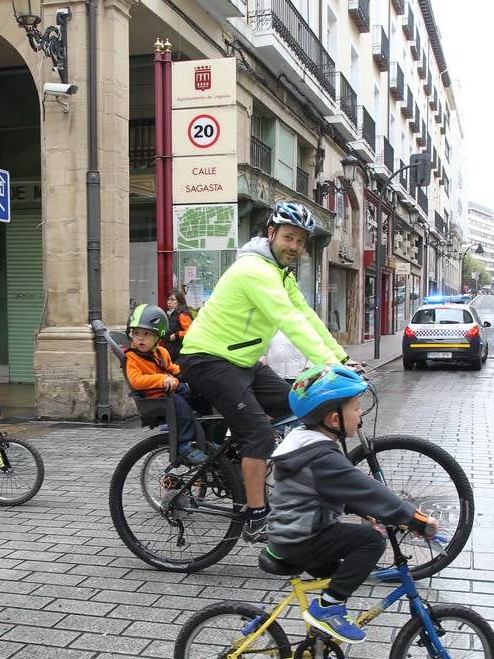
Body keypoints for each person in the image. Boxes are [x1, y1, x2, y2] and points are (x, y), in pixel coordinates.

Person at [178, 201, 357, 540]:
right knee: (258, 434)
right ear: (271, 233)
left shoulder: (279, 274)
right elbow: (287, 321)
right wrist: (327, 365)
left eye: (300, 241)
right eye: (289, 237)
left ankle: (243, 461)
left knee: (299, 403)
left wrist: (340, 358)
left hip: (242, 362)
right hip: (207, 359)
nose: (295, 246)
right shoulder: (254, 270)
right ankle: (256, 515)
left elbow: (305, 315)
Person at [263, 365, 438, 643]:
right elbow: (367, 489)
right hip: (300, 539)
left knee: (340, 574)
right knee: (370, 541)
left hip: (292, 534)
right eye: (356, 408)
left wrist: (364, 510)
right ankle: (329, 610)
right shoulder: (322, 457)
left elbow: (326, 493)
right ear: (334, 419)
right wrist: (413, 518)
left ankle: (319, 640)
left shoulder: (308, 444)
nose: (360, 413)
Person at [123, 304, 205, 464]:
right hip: (156, 396)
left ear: (158, 337)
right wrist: (162, 379)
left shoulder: (161, 353)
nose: (140, 338)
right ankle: (184, 446)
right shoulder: (132, 358)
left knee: (197, 395)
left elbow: (172, 369)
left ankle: (204, 435)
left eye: (146, 334)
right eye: (136, 333)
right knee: (180, 405)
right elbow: (136, 381)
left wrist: (191, 373)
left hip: (169, 389)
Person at [163, 289, 194, 360]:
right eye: (168, 300)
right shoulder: (168, 314)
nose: (169, 302)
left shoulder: (182, 315)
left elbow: (191, 332)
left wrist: (177, 335)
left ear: (179, 302)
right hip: (170, 353)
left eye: (172, 300)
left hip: (180, 354)